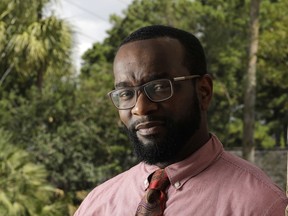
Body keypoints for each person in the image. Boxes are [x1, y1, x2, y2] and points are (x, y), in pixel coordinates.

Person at [74, 25, 288, 216]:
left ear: (203, 91)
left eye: (159, 87)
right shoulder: (98, 204)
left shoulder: (260, 205)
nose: (140, 108)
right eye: (126, 94)